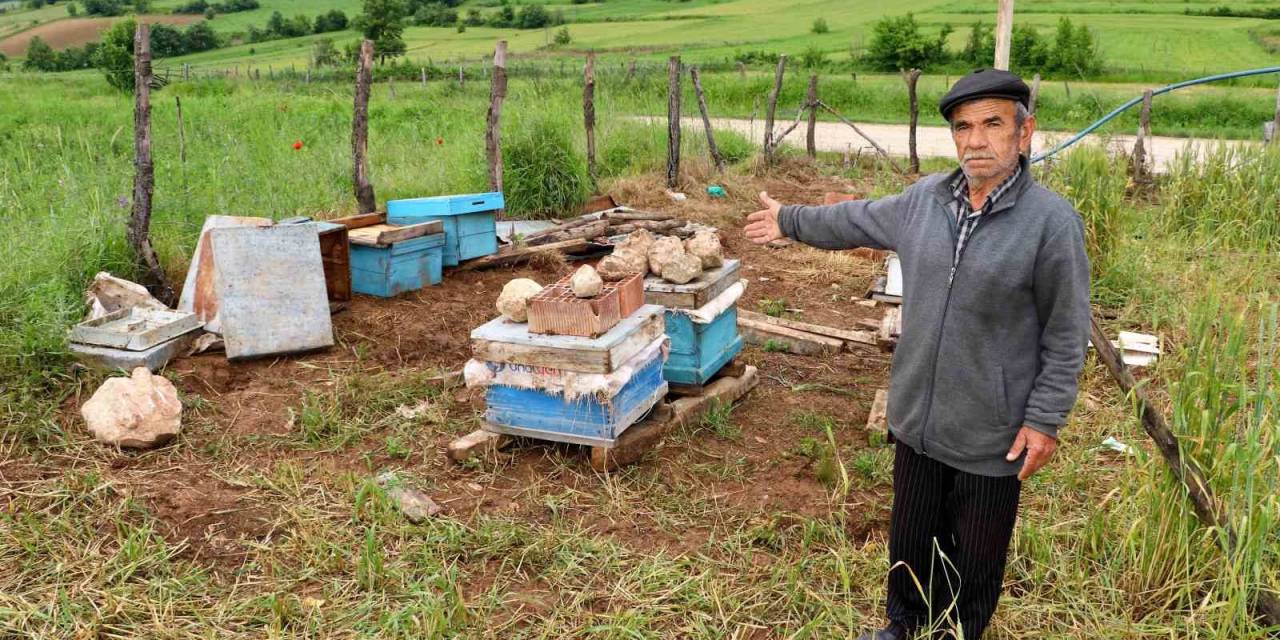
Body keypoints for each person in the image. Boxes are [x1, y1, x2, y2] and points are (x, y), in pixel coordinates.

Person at [744, 68, 1091, 639]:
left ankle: (956, 633)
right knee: (910, 542)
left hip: (990, 432)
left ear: (1024, 132)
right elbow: (854, 218)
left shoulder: (1051, 224)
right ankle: (902, 626)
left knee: (974, 560)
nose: (975, 141)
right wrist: (789, 220)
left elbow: (1066, 332)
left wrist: (1044, 419)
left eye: (992, 124)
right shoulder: (926, 201)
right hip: (917, 421)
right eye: (963, 127)